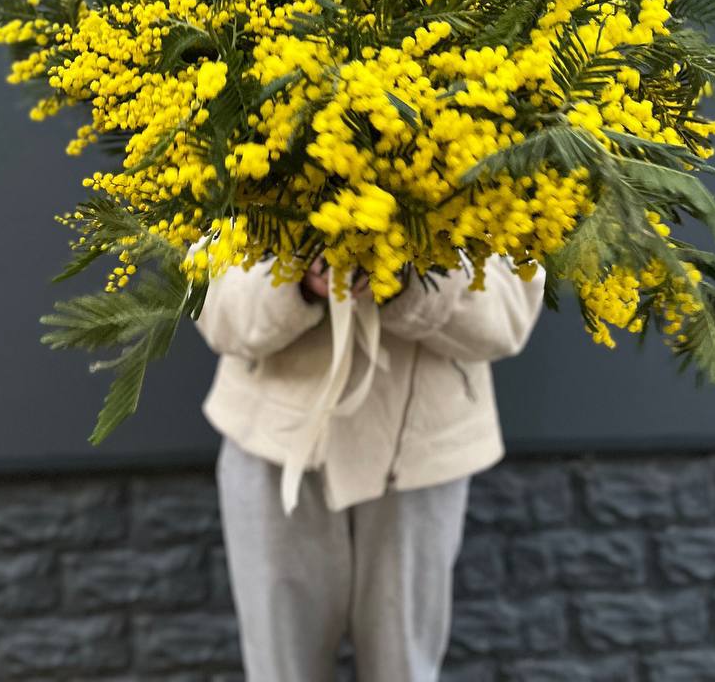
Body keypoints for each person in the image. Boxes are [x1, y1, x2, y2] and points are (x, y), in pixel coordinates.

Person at [192, 245, 547, 682]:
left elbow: (508, 315)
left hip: (419, 456)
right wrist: (297, 281)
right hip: (274, 443)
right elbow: (214, 304)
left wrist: (407, 282)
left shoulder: (506, 199)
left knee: (404, 670)